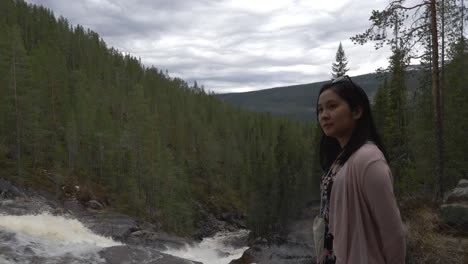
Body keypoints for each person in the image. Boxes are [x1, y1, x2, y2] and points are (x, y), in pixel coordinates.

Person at [316, 75, 406, 264]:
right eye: (320, 109)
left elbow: (393, 233)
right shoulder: (341, 159)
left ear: (356, 111)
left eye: (332, 106)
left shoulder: (368, 160)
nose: (324, 115)